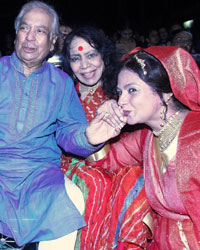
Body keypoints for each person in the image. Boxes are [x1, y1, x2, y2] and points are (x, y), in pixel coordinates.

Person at [0, 1, 109, 250]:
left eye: (40, 31)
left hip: (38, 173)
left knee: (69, 199)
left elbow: (68, 131)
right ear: (15, 35)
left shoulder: (61, 83)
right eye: (25, 28)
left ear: (51, 43)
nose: (30, 37)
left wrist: (89, 136)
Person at [86, 45, 200, 249]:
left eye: (132, 90)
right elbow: (104, 163)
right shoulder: (147, 138)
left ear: (166, 93)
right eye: (119, 92)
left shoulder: (196, 137)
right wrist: (97, 135)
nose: (121, 101)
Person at [61, 25, 151, 250]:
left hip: (115, 161)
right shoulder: (63, 92)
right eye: (76, 58)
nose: (85, 65)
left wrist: (118, 104)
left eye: (91, 55)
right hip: (73, 162)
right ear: (69, 63)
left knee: (135, 177)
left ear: (103, 55)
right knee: (97, 182)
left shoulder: (121, 89)